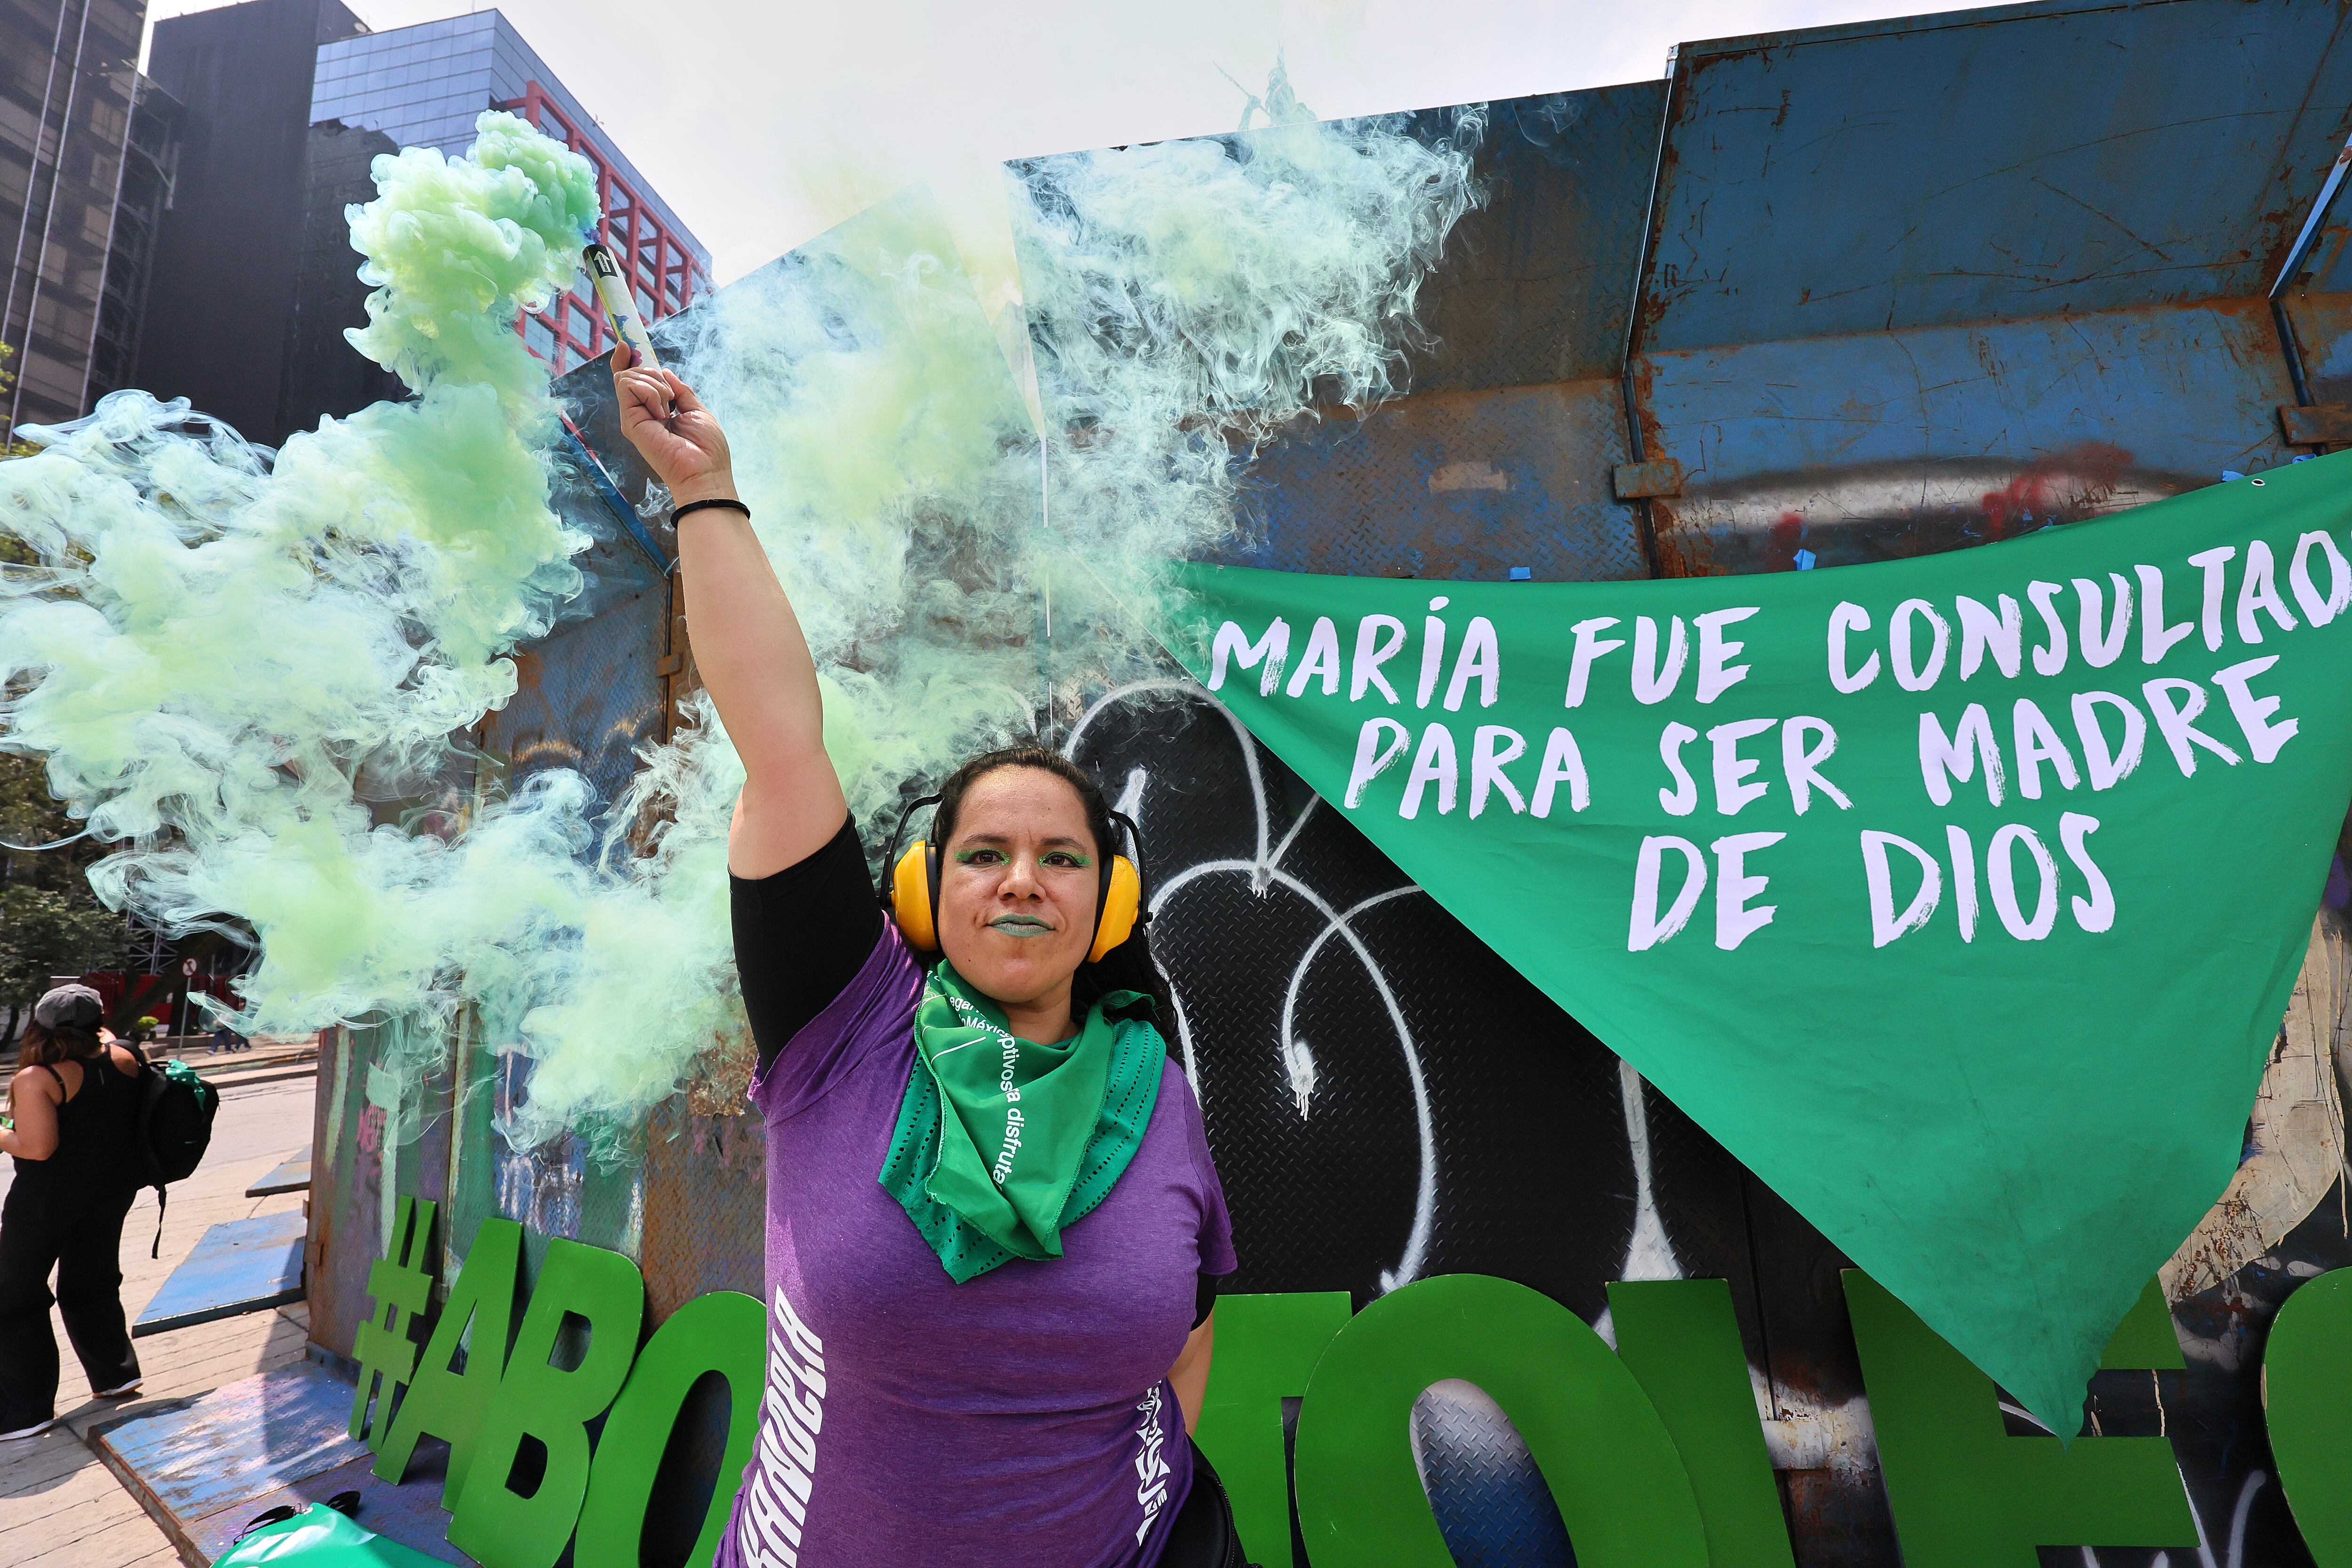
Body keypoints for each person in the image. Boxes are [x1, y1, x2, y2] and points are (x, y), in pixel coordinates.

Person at [612, 344, 1244, 1568]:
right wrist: (706, 491)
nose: (1021, 875)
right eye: (984, 851)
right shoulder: (842, 1034)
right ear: (923, 892)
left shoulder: (1152, 1089)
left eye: (1062, 856)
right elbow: (783, 741)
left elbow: (1188, 1338)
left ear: (1105, 909)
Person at [0, 984, 146, 1439]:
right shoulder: (126, 1056)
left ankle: (26, 1411)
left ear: (40, 1025)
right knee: (93, 1282)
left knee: (15, 1296)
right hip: (109, 1192)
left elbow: (38, 1147)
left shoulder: (38, 1078)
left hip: (47, 1200)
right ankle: (117, 1375)